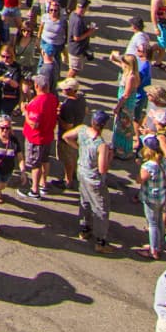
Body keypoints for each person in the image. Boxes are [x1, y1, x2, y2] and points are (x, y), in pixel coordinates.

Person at [64, 108, 114, 252]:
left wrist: (79, 148)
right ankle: (101, 241)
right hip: (93, 178)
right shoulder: (101, 144)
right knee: (101, 208)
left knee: (85, 200)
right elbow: (103, 168)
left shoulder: (82, 129)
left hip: (81, 171)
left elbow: (66, 137)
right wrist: (109, 156)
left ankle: (85, 228)